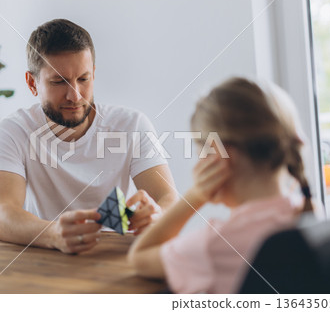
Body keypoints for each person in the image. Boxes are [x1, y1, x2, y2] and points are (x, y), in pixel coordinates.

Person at [0, 19, 177, 254]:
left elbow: (167, 197)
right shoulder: (10, 132)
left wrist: (157, 215)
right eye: (58, 82)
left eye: (83, 79)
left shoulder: (132, 124)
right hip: (44, 254)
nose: (74, 95)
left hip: (115, 255)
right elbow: (0, 214)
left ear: (93, 74)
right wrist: (54, 234)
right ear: (32, 83)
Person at [128, 77, 316, 293]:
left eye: (201, 153)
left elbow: (140, 256)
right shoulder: (310, 214)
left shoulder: (214, 246)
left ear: (217, 158)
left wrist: (195, 195)